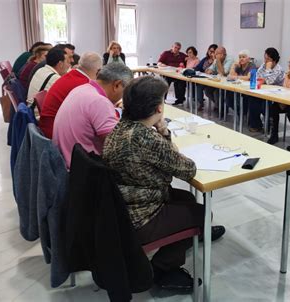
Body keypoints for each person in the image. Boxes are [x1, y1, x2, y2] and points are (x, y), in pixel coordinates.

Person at [102, 76, 225, 293]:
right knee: (203, 214)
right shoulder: (144, 138)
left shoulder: (122, 127)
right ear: (159, 107)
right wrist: (164, 132)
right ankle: (161, 270)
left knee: (186, 199)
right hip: (140, 216)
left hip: (121, 205)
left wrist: (162, 131)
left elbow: (164, 157)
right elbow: (188, 169)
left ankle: (193, 234)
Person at [53, 63, 133, 169]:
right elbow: (117, 146)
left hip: (66, 162)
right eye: (125, 91)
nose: (123, 96)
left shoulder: (81, 89)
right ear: (117, 85)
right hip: (83, 171)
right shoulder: (99, 101)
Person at [39, 52, 103, 139]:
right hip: (55, 132)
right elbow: (96, 112)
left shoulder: (72, 75)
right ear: (98, 70)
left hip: (49, 126)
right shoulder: (84, 84)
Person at [248, 47, 285, 132]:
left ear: (274, 60)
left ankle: (269, 125)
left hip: (276, 94)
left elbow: (269, 81)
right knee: (252, 98)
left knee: (264, 103)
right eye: (265, 58)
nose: (265, 61)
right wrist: (263, 78)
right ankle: (256, 125)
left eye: (268, 59)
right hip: (264, 91)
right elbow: (257, 77)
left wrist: (268, 69)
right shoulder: (263, 66)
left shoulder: (279, 69)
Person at [226, 49, 256, 114]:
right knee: (228, 96)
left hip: (247, 90)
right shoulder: (238, 66)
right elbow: (230, 76)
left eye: (243, 57)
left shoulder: (252, 65)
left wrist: (236, 77)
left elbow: (248, 78)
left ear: (248, 59)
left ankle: (242, 113)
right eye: (240, 57)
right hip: (238, 88)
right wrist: (233, 66)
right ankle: (239, 113)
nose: (241, 59)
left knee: (241, 99)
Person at [204, 46, 234, 113]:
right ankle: (219, 106)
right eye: (215, 53)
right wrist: (209, 70)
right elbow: (209, 70)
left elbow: (223, 74)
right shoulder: (216, 59)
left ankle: (222, 109)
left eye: (217, 54)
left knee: (217, 92)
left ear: (223, 54)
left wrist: (218, 61)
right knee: (207, 91)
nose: (215, 55)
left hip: (228, 83)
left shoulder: (229, 59)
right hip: (218, 82)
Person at [194, 44, 217, 111]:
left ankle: (217, 104)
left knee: (209, 91)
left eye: (213, 52)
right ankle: (200, 103)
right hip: (205, 78)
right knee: (199, 85)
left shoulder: (216, 60)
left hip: (213, 79)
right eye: (210, 51)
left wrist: (214, 59)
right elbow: (197, 68)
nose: (211, 53)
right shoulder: (205, 59)